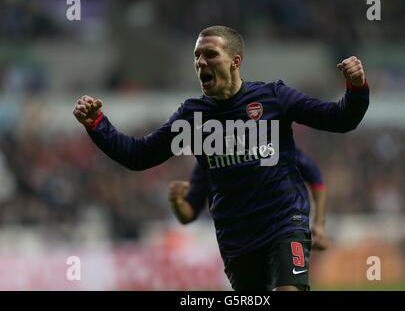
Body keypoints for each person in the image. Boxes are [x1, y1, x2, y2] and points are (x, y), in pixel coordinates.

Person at [73, 25, 369, 291]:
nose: (201, 62)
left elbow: (340, 119)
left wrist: (356, 88)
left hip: (284, 224)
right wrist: (97, 124)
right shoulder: (192, 116)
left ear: (235, 61)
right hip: (236, 240)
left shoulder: (273, 97)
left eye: (210, 54)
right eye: (196, 56)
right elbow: (139, 156)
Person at [169, 147, 329, 251]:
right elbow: (188, 214)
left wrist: (319, 223)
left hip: (281, 228)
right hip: (241, 242)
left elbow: (314, 175)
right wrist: (176, 202)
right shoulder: (210, 162)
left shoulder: (266, 147)